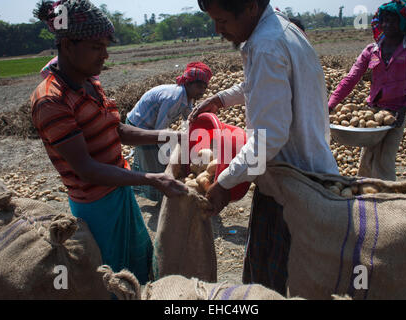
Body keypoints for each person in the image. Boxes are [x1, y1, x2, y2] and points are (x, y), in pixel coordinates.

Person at [30, 0, 187, 285]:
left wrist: (171, 136)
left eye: (106, 46)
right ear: (67, 44)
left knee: (139, 260)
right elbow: (86, 169)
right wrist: (152, 178)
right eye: (95, 47)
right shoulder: (51, 100)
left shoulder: (90, 82)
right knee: (112, 278)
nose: (105, 55)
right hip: (96, 205)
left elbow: (118, 131)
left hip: (120, 190)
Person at [191, 0, 339, 295]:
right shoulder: (281, 30)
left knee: (265, 283)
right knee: (291, 273)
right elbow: (259, 84)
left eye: (222, 21)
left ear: (250, 7)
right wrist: (221, 99)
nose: (218, 31)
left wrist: (224, 182)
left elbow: (269, 138)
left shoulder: (266, 45)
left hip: (289, 186)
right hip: (311, 175)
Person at [328, 0, 406, 181]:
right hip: (373, 111)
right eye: (384, 20)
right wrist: (331, 103)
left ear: (404, 23)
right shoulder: (372, 50)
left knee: (385, 159)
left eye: (393, 20)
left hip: (397, 112)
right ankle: (365, 194)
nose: (387, 25)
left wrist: (405, 109)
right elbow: (351, 78)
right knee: (366, 158)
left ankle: (386, 198)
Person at [126, 62, 212, 202]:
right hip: (138, 125)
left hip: (152, 126)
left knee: (157, 159)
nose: (202, 91)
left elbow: (188, 120)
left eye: (204, 87)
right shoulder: (174, 98)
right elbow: (159, 132)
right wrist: (170, 155)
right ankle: (160, 198)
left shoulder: (187, 97)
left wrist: (195, 140)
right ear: (188, 83)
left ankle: (152, 189)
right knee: (156, 162)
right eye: (198, 86)